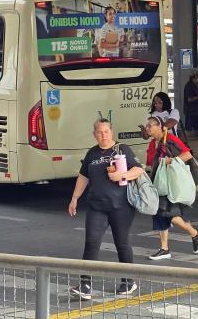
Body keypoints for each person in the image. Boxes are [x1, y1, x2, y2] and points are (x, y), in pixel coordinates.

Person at [68, 119, 145, 300]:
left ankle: (128, 281)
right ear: (94, 134)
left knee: (122, 243)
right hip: (96, 206)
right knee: (91, 242)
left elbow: (139, 170)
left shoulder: (122, 150)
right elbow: (83, 177)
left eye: (106, 132)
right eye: (100, 132)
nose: (103, 135)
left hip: (121, 206)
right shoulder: (92, 154)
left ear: (112, 132)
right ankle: (85, 284)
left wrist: (122, 175)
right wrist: (74, 198)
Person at [142, 116, 198, 261]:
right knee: (159, 214)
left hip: (170, 184)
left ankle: (194, 233)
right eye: (147, 126)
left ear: (159, 126)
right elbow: (151, 164)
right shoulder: (153, 144)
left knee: (171, 215)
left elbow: (188, 154)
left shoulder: (169, 139)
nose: (147, 129)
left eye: (149, 126)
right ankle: (164, 249)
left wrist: (171, 160)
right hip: (158, 183)